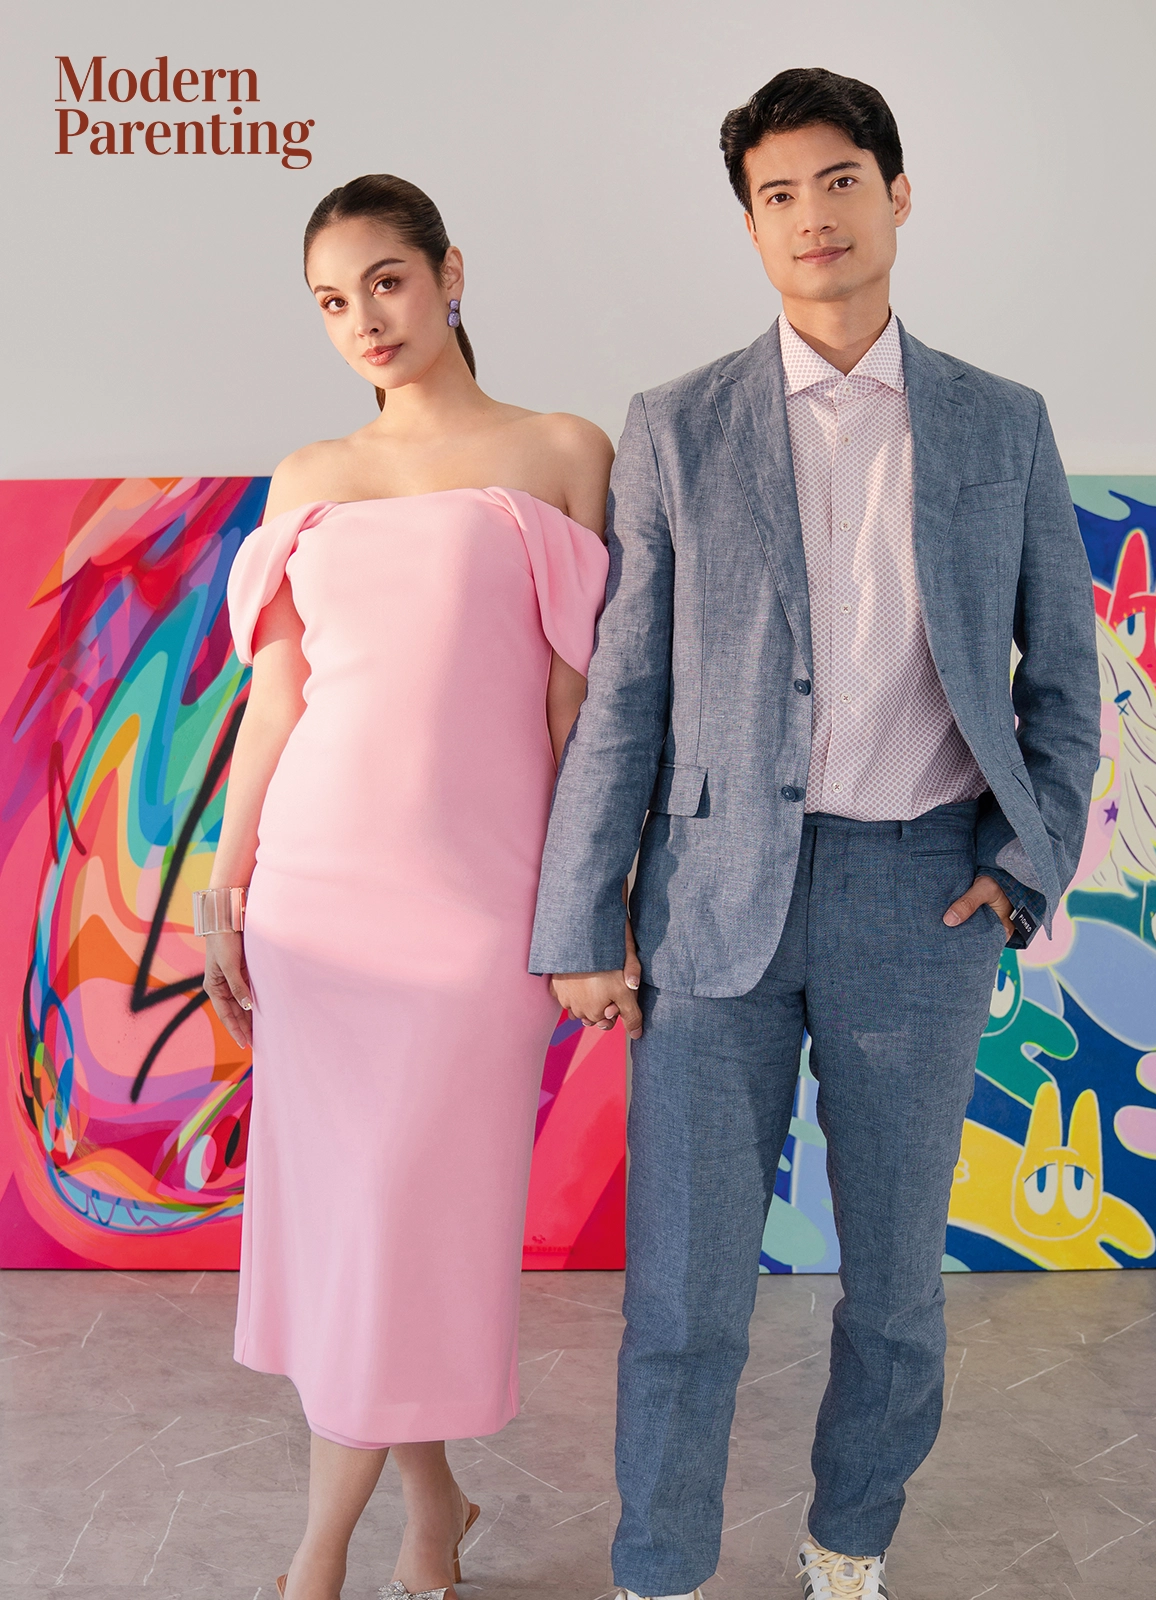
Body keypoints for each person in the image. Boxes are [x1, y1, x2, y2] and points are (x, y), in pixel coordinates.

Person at [529, 68, 1099, 1600]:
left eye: (837, 181)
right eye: (775, 194)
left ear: (894, 194)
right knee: (684, 1294)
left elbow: (1063, 679)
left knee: (896, 1291)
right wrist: (581, 920)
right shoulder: (675, 427)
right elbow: (626, 692)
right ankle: (658, 1566)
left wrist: (1020, 868)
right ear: (749, 225)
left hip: (921, 900)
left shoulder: (999, 422)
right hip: (711, 905)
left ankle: (848, 1541)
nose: (810, 216)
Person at [198, 173, 612, 1600]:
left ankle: (312, 1565)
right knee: (358, 1229)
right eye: (332, 301)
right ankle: (423, 1518)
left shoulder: (561, 450)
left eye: (385, 280)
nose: (364, 319)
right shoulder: (307, 476)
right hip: (316, 898)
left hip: (476, 912)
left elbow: (577, 714)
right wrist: (225, 881)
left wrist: (594, 903)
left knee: (406, 1221)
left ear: (449, 272)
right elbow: (278, 701)